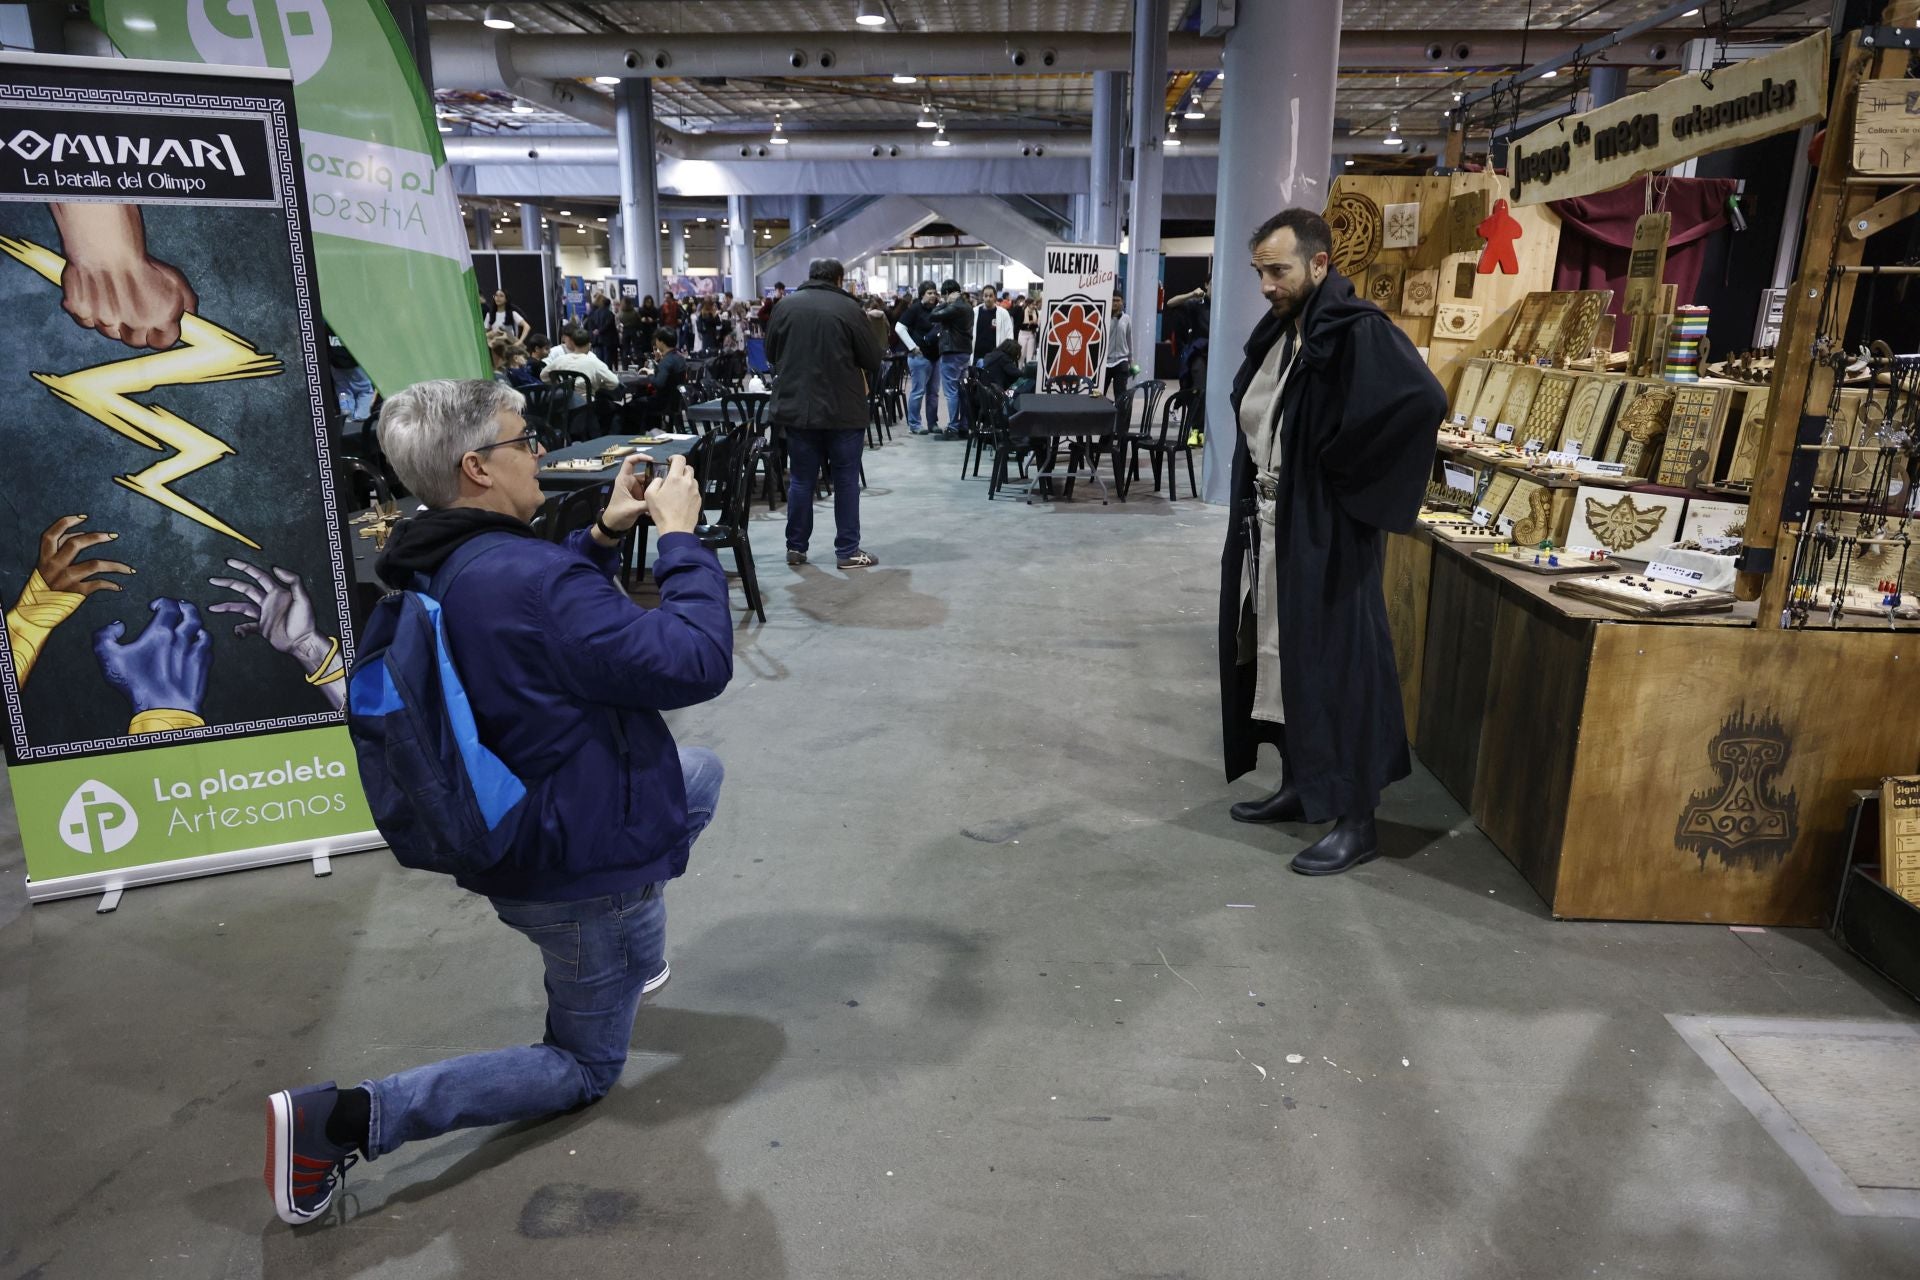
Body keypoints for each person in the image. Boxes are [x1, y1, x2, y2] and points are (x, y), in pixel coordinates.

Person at [262, 378, 733, 1225]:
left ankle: (636, 952)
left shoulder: (447, 555)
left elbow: (544, 616)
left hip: (528, 811)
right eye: (526, 441)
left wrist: (602, 531)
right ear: (478, 467)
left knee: (697, 773)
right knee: (585, 1066)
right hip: (574, 867)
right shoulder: (528, 579)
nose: (542, 453)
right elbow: (695, 658)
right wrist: (678, 540)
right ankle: (340, 1120)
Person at [1218, 209, 1445, 876]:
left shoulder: (1357, 331)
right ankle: (1301, 784)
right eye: (1260, 271)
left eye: (1278, 270)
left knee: (1342, 667)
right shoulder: (1285, 332)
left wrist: (1338, 479)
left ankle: (1357, 818)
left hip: (1324, 533)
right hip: (1271, 526)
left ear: (1320, 265)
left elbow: (1420, 401)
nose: (1266, 283)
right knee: (1280, 658)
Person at [766, 258, 882, 569]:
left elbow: (770, 354)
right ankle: (847, 551)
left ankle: (796, 548)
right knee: (845, 480)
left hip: (798, 410)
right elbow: (872, 359)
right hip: (843, 409)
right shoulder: (849, 309)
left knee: (802, 480)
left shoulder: (785, 306)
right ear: (840, 279)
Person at [896, 280, 943, 435]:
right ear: (922, 294)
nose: (933, 295)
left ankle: (932, 423)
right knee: (918, 392)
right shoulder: (914, 309)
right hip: (919, 358)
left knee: (933, 393)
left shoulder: (937, 310)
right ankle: (915, 425)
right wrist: (912, 346)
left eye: (934, 292)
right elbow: (899, 327)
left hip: (936, 357)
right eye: (929, 293)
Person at [930, 279, 973, 439]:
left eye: (944, 295)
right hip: (964, 352)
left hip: (952, 352)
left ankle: (953, 428)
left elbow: (932, 316)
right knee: (962, 392)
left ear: (948, 293)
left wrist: (944, 303)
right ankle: (963, 426)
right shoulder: (968, 306)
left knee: (951, 392)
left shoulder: (955, 307)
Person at [541, 326, 620, 403]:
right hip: (586, 404)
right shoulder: (594, 361)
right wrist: (598, 386)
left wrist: (558, 385)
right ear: (589, 344)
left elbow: (543, 376)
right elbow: (614, 382)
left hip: (563, 403)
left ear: (573, 343)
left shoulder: (560, 360)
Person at [629, 330, 688, 428]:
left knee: (633, 404)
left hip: (663, 403)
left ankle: (639, 433)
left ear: (662, 342)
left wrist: (650, 374)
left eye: (657, 340)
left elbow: (658, 383)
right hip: (676, 401)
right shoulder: (679, 358)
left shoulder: (666, 361)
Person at [971, 283, 1014, 368]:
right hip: (976, 355)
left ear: (995, 297)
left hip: (995, 357)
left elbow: (1009, 335)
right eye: (986, 296)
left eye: (991, 296)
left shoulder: (1003, 313)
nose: (988, 298)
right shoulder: (974, 312)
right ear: (982, 297)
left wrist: (1006, 354)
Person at [1105, 296, 1135, 404]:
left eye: (1117, 300)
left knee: (1121, 396)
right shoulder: (1104, 317)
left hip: (1121, 361)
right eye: (1112, 300)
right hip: (1105, 362)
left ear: (1122, 302)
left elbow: (1129, 341)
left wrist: (1131, 362)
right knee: (1099, 394)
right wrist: (1113, 318)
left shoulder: (1126, 318)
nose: (1115, 303)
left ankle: (1121, 420)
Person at [585, 291, 619, 367]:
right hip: (608, 340)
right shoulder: (610, 314)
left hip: (597, 340)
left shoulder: (594, 313)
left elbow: (590, 324)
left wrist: (595, 332)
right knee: (607, 360)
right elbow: (609, 326)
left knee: (599, 359)